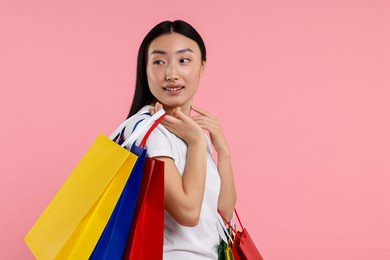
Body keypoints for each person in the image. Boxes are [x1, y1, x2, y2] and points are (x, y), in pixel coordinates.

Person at [111, 20, 236, 259]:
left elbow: (222, 215)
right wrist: (198, 142)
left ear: (201, 67)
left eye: (184, 60)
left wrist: (224, 152)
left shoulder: (188, 132)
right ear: (144, 69)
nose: (171, 74)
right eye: (159, 62)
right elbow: (188, 213)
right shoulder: (147, 131)